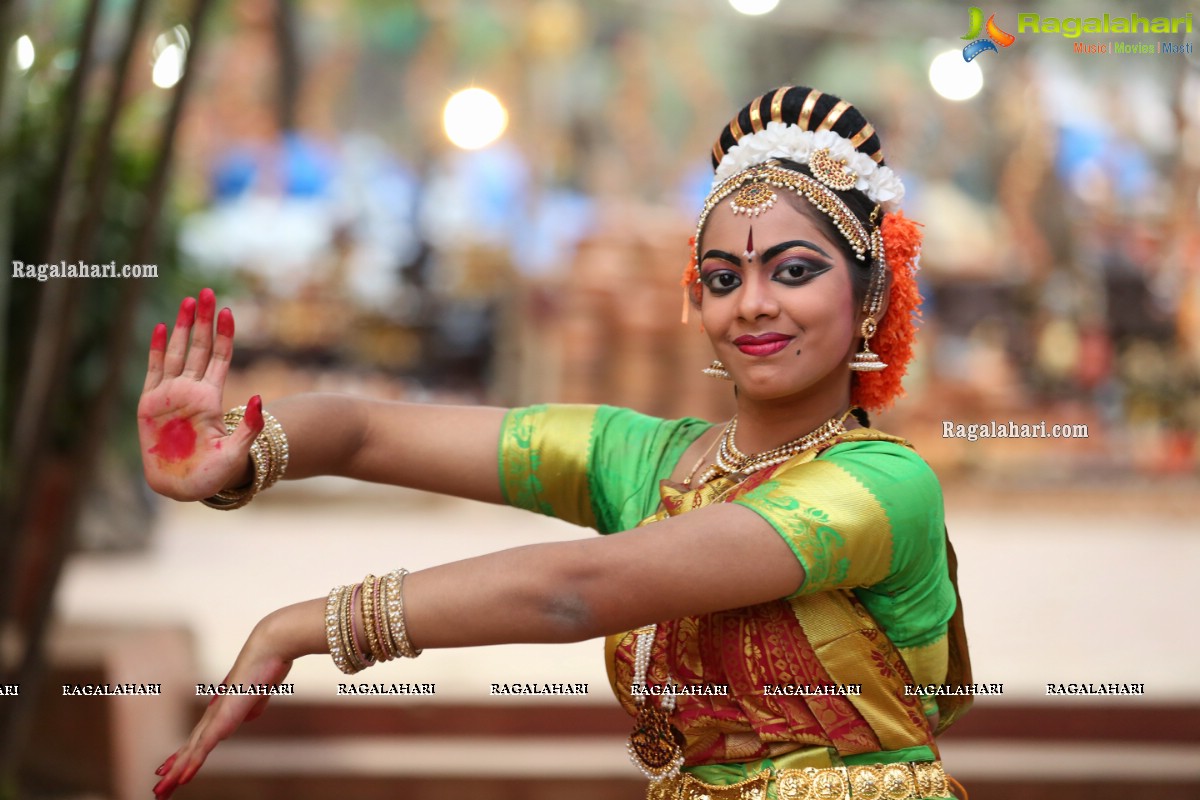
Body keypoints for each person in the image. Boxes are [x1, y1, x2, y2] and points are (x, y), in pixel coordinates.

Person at [139, 86, 972, 800]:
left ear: (873, 296)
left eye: (793, 271)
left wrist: (299, 626)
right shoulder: (645, 458)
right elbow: (367, 430)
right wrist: (242, 453)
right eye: (723, 278)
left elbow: (573, 592)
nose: (751, 303)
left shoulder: (883, 485)